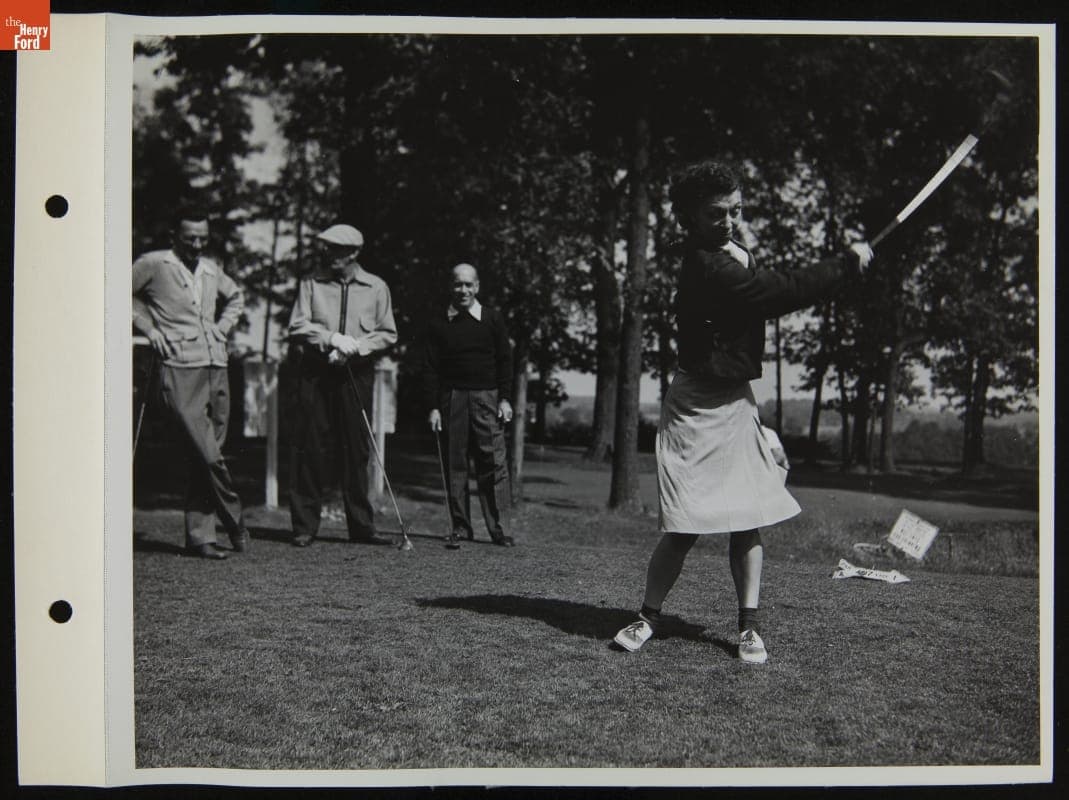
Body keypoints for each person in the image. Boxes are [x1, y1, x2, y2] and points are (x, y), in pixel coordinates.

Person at [613, 161, 874, 663]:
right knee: (685, 526)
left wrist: (844, 265)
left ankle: (748, 628)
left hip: (735, 402)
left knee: (748, 519)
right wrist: (844, 265)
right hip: (694, 405)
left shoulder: (734, 251)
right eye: (715, 214)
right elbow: (773, 294)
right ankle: (647, 616)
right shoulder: (707, 264)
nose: (728, 221)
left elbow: (764, 292)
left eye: (734, 210)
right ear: (688, 217)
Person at [132, 212, 250, 560]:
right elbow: (114, 291)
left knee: (210, 455)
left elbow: (237, 297)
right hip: (180, 367)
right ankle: (237, 523)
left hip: (217, 364)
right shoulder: (154, 264)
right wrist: (149, 329)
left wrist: (223, 326)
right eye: (190, 239)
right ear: (174, 235)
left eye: (203, 238)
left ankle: (201, 539)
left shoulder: (212, 268)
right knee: (208, 455)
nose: (197, 245)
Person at [287, 224, 398, 548]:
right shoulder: (311, 283)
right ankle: (304, 526)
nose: (329, 255)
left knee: (356, 447)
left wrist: (356, 347)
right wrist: (330, 339)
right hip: (316, 370)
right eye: (327, 248)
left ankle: (362, 526)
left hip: (356, 373)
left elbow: (387, 333)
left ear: (353, 253)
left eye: (336, 250)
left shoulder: (376, 287)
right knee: (310, 444)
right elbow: (298, 324)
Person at [423, 263, 515, 549]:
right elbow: (430, 368)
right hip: (452, 399)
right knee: (456, 465)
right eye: (457, 285)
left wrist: (505, 398)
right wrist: (434, 407)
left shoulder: (492, 319)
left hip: (487, 398)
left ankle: (500, 529)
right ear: (451, 287)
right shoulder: (439, 322)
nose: (462, 290)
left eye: (468, 285)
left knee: (494, 464)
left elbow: (505, 361)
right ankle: (461, 527)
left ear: (477, 287)